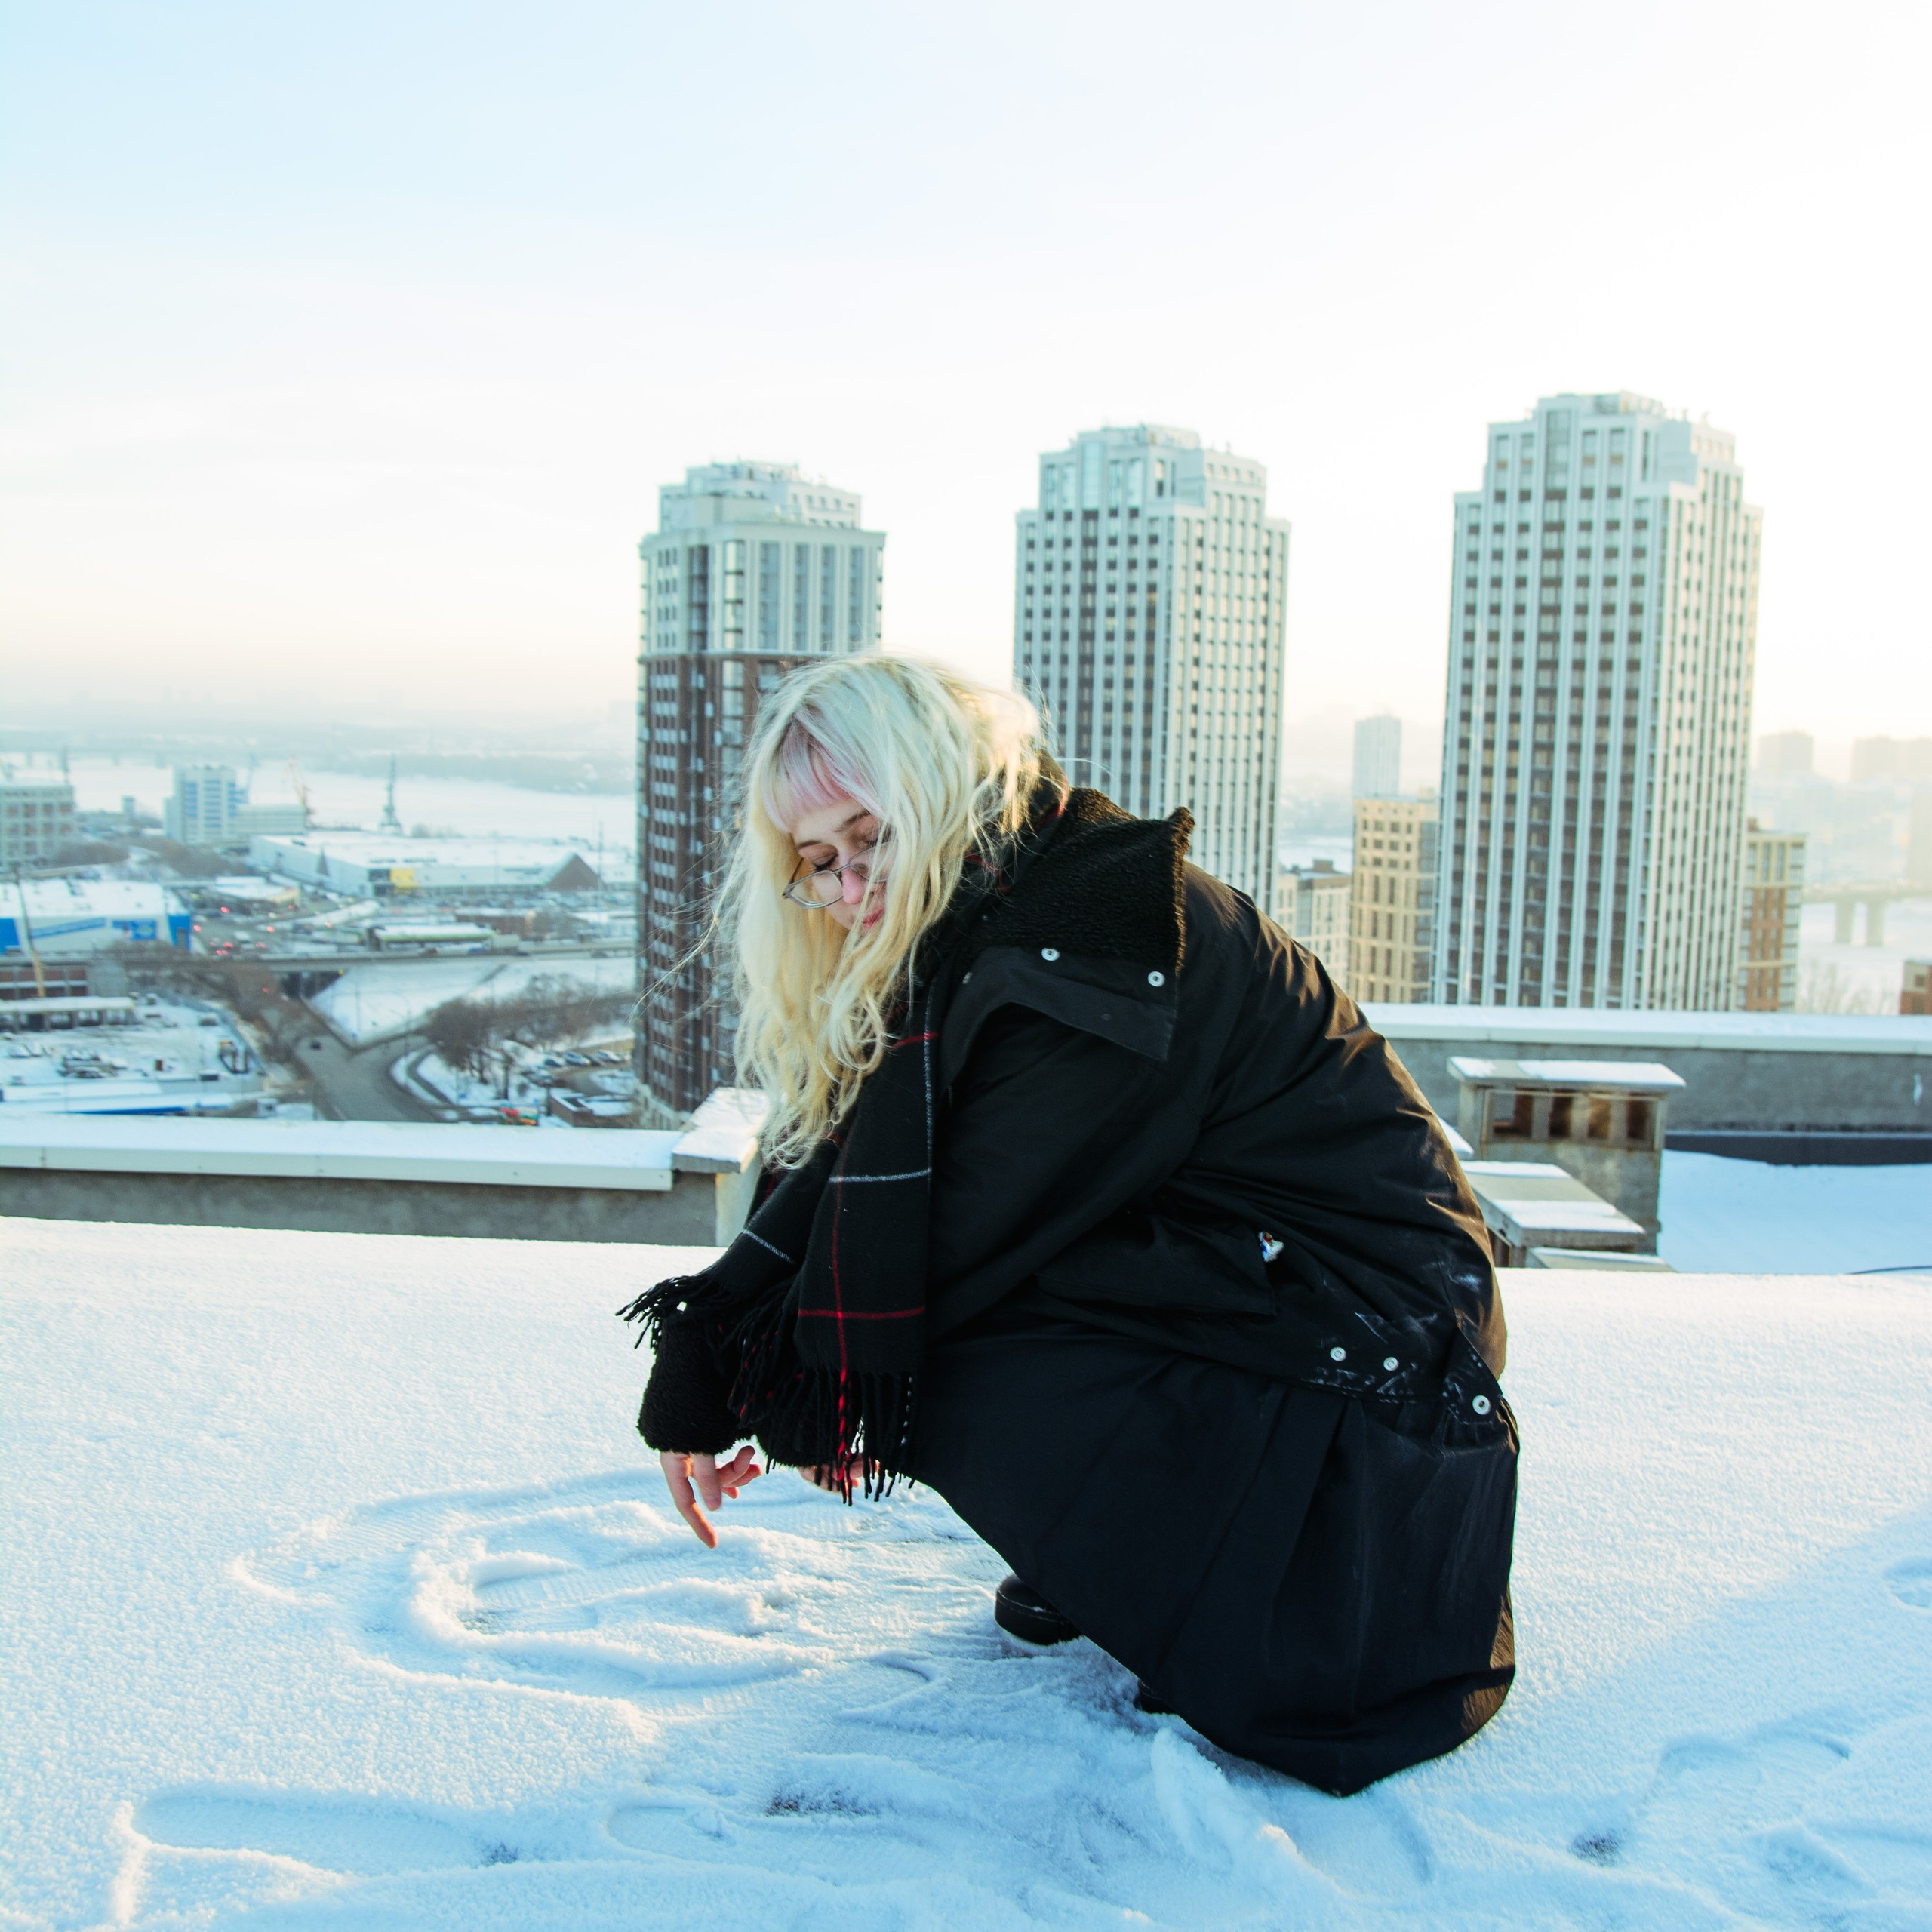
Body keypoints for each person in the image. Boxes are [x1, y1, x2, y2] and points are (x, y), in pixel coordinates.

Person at [623, 654, 1517, 1795]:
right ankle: (1127, 1564)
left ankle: (1206, 1590)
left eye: (874, 838)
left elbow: (940, 1243)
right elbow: (847, 1176)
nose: (851, 887)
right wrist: (712, 1346)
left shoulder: (1089, 952)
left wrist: (744, 1374)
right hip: (1317, 1318)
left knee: (932, 1334)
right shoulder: (1024, 904)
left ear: (944, 796)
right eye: (820, 862)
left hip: (1387, 1403)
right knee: (931, 1308)